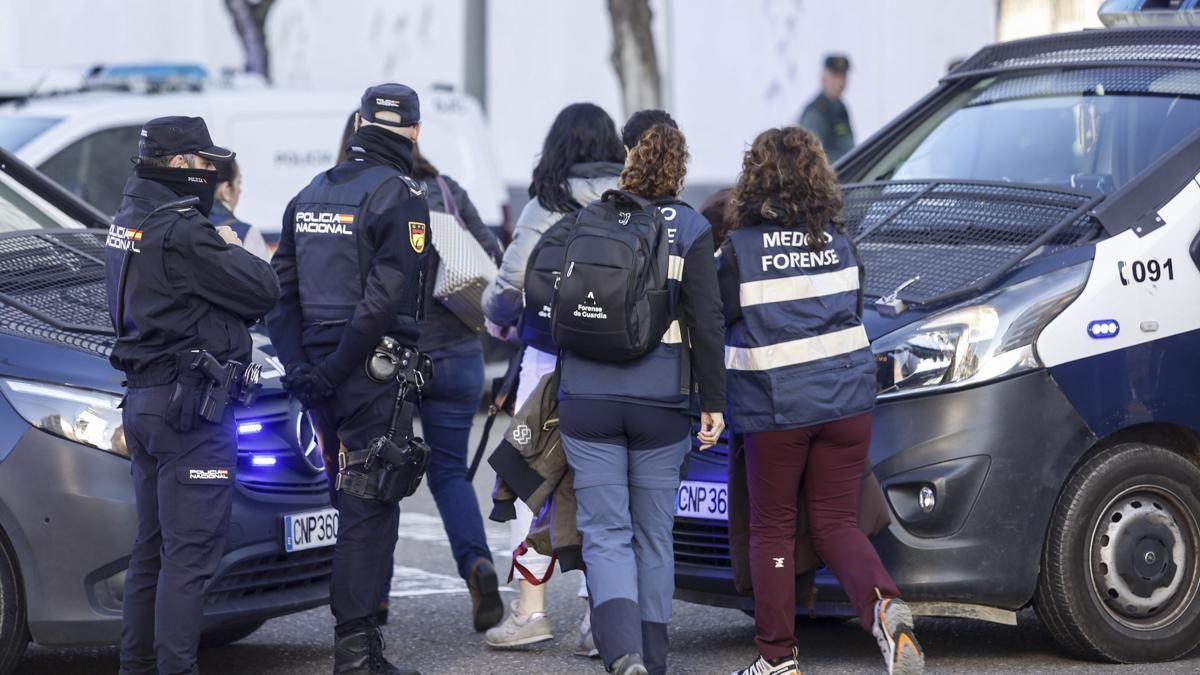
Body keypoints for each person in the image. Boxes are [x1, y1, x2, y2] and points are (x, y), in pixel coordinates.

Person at [719, 127, 924, 675]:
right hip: (848, 403)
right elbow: (853, 307)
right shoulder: (838, 241)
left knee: (774, 529)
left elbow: (717, 318)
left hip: (777, 408)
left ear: (755, 179)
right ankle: (885, 606)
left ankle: (777, 658)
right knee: (837, 524)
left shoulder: (738, 250)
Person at [104, 116, 280, 675]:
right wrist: (230, 243)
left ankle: (136, 667)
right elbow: (264, 287)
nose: (212, 172)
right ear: (179, 165)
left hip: (146, 403)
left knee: (151, 553)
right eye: (205, 163)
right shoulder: (184, 230)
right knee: (190, 557)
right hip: (188, 414)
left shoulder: (129, 216)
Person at [267, 84, 430, 675]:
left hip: (320, 373)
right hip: (369, 372)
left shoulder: (308, 193)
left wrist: (302, 369)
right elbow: (385, 298)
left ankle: (364, 651)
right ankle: (356, 658)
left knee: (351, 502)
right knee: (370, 505)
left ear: (360, 122)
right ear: (415, 131)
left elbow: (277, 291)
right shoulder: (401, 194)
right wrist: (334, 368)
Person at [557, 114, 726, 675]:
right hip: (659, 404)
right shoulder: (694, 230)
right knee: (655, 534)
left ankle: (622, 653)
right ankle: (653, 655)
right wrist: (713, 402)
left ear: (629, 158)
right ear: (680, 170)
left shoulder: (592, 217)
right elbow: (707, 323)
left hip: (588, 398)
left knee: (605, 533)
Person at [480, 101, 625, 654]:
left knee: (529, 481)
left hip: (548, 360)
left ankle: (531, 610)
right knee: (601, 489)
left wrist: (498, 321)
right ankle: (599, 621)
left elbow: (508, 285)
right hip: (619, 362)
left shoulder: (548, 204)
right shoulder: (631, 199)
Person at [410, 142, 506, 632]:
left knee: (376, 482)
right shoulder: (446, 189)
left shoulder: (366, 193)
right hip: (458, 357)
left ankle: (372, 604)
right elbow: (492, 256)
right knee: (450, 473)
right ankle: (477, 565)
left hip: (393, 360)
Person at [210, 157, 271, 260]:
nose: (240, 190)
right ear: (225, 190)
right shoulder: (247, 233)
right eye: (239, 182)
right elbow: (262, 275)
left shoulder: (187, 225)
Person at [798, 55, 855, 163]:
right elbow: (810, 157)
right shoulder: (816, 113)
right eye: (835, 76)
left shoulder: (840, 107)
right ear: (823, 78)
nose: (840, 82)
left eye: (843, 76)